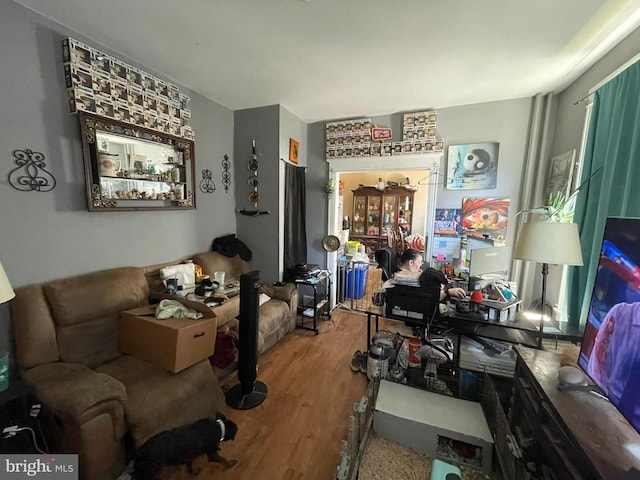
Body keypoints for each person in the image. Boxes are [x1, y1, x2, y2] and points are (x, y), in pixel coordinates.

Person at [397, 249, 466, 301]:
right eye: (419, 262)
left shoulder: (404, 273)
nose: (421, 265)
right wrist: (448, 292)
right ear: (411, 263)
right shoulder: (403, 279)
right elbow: (428, 296)